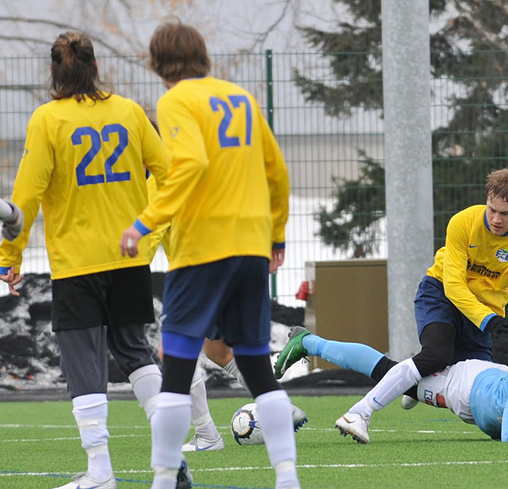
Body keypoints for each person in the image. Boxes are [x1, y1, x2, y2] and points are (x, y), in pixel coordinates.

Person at [0, 32, 188, 489]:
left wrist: (10, 254)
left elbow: (26, 195)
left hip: (78, 265)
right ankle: (170, 458)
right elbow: (169, 176)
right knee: (136, 355)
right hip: (129, 257)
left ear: (54, 72)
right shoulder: (129, 112)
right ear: (94, 67)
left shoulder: (47, 120)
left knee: (84, 364)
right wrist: (150, 228)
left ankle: (101, 472)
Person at [120, 21, 300, 489]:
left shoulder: (176, 99)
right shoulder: (241, 98)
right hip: (252, 247)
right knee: (258, 366)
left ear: (158, 63)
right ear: (203, 55)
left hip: (203, 249)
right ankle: (288, 477)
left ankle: (163, 481)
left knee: (175, 367)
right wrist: (276, 236)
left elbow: (190, 165)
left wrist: (144, 221)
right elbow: (277, 172)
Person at [275, 168, 508, 442]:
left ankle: (315, 344)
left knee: (474, 399)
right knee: (437, 354)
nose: (496, 219)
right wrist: (487, 320)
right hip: (440, 294)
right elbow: (453, 286)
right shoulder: (463, 222)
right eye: (491, 210)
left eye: (505, 213)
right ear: (485, 202)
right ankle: (359, 413)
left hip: (479, 315)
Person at [145, 192, 307, 453]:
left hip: (196, 273)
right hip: (241, 259)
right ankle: (281, 410)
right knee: (219, 351)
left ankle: (205, 435)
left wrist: (128, 264)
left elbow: (150, 232)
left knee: (174, 352)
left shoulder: (163, 177)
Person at [276, 329, 508, 443]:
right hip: (465, 387)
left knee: (401, 376)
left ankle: (415, 390)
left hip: (488, 373)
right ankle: (311, 343)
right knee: (387, 371)